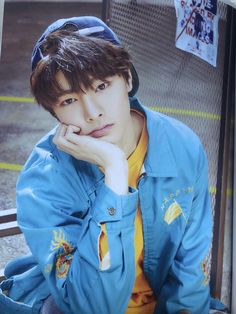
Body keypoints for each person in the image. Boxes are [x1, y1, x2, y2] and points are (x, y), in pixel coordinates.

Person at [0, 16, 214, 314]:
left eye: (101, 86)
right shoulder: (44, 180)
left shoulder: (180, 146)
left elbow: (190, 271)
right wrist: (114, 174)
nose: (92, 113)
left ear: (127, 78)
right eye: (69, 100)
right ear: (55, 113)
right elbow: (92, 307)